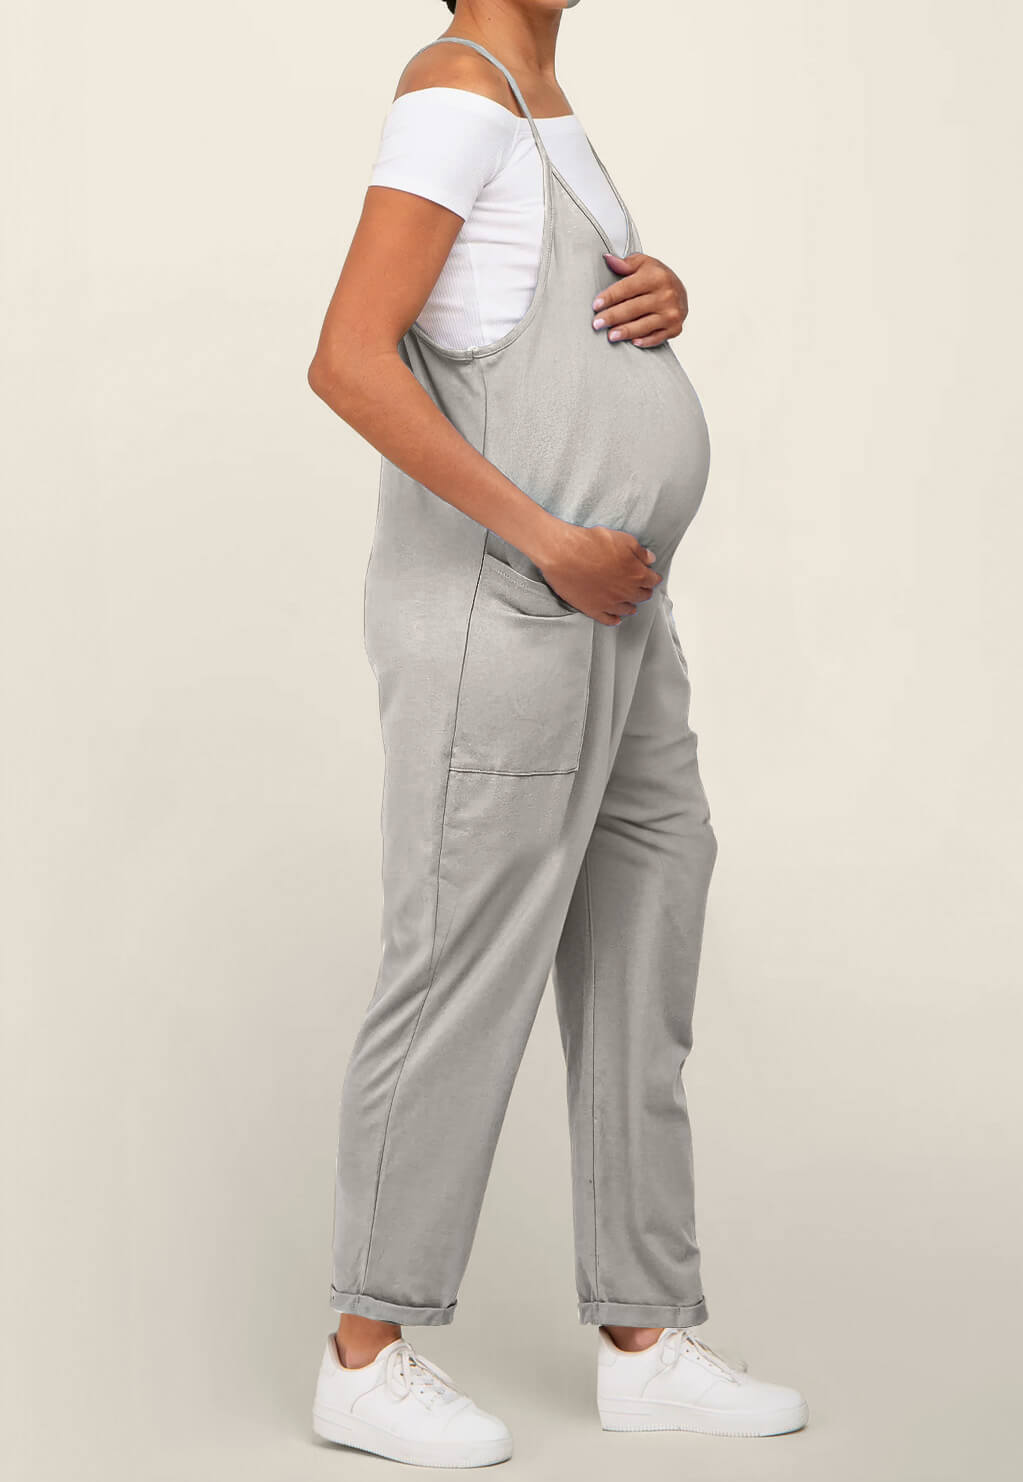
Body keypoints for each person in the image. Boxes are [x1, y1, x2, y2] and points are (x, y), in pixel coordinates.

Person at [306, 0, 807, 1467]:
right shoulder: (456, 93)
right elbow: (350, 358)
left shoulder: (543, 104)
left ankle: (644, 1337)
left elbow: (520, 320)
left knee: (645, 936)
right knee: (462, 964)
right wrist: (546, 540)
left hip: (619, 617)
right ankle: (363, 1352)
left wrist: (658, 296)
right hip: (512, 610)